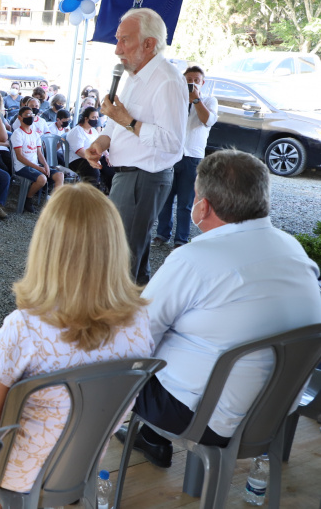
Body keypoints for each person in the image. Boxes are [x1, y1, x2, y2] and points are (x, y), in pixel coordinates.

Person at [116, 150, 321, 469]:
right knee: (201, 328)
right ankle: (154, 438)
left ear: (204, 205)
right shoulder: (293, 249)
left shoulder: (195, 258)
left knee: (119, 356)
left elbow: (135, 338)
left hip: (206, 418)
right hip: (277, 410)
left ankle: (79, 455)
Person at [0, 183, 154, 498]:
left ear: (46, 247)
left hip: (18, 475)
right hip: (84, 461)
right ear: (114, 245)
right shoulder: (139, 322)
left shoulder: (25, 328)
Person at [84, 8, 188, 285]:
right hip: (128, 176)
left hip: (145, 177)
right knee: (131, 261)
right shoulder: (134, 76)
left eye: (124, 40)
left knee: (120, 262)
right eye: (117, 40)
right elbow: (116, 126)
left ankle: (117, 324)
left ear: (149, 44)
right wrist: (101, 143)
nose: (117, 49)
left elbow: (172, 141)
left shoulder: (166, 80)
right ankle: (140, 320)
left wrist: (127, 120)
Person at [154, 66, 218, 249]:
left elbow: (208, 120)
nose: (192, 82)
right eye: (188, 79)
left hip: (192, 157)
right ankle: (161, 234)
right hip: (171, 155)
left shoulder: (209, 100)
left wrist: (196, 99)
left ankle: (181, 239)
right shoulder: (175, 101)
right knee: (165, 198)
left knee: (186, 202)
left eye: (196, 80)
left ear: (202, 83)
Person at [12, 106, 63, 213]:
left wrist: (45, 165)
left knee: (59, 175)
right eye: (27, 115)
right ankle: (27, 199)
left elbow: (39, 153)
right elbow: (19, 157)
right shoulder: (17, 133)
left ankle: (55, 204)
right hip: (22, 167)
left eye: (32, 115)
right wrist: (39, 169)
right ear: (20, 118)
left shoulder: (35, 134)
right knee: (42, 179)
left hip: (35, 165)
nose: (30, 117)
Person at [66, 107, 113, 193]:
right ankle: (90, 196)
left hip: (93, 157)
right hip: (78, 160)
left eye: (97, 117)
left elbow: (100, 145)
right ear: (86, 118)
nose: (96, 119)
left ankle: (107, 194)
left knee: (110, 168)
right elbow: (79, 151)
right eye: (93, 117)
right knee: (93, 171)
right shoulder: (77, 131)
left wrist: (106, 155)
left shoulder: (94, 131)